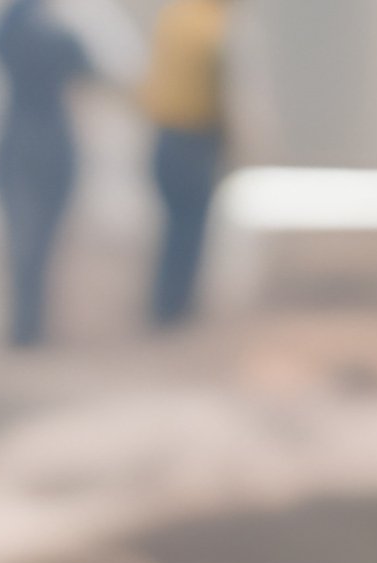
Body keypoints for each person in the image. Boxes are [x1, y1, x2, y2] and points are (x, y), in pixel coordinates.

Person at [0, 0, 92, 347]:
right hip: (49, 139)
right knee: (39, 240)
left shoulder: (8, 33)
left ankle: (25, 324)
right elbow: (89, 68)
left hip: (16, 136)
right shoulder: (60, 37)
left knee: (22, 239)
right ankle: (29, 324)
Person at [139, 0, 231, 328]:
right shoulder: (215, 27)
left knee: (173, 226)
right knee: (189, 229)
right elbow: (226, 92)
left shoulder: (173, 17)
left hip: (164, 136)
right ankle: (176, 309)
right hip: (195, 137)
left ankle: (163, 304)